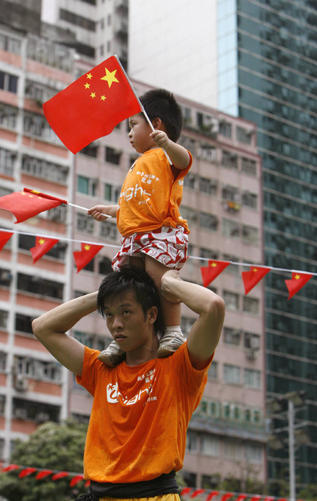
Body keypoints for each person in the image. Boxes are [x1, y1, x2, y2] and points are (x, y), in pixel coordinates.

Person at [32, 265, 225, 500]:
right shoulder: (101, 368)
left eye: (126, 312)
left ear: (152, 315)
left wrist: (166, 284)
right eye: (109, 314)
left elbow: (213, 307)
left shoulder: (180, 367)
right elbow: (42, 327)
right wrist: (105, 294)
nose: (116, 324)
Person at [88, 89, 193, 367]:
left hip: (160, 233)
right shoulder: (139, 163)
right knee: (126, 287)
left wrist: (168, 144)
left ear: (155, 124)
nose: (129, 133)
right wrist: (110, 212)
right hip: (134, 238)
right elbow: (135, 205)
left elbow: (185, 160)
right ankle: (122, 340)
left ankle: (173, 331)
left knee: (161, 282)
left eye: (133, 125)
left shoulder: (165, 157)